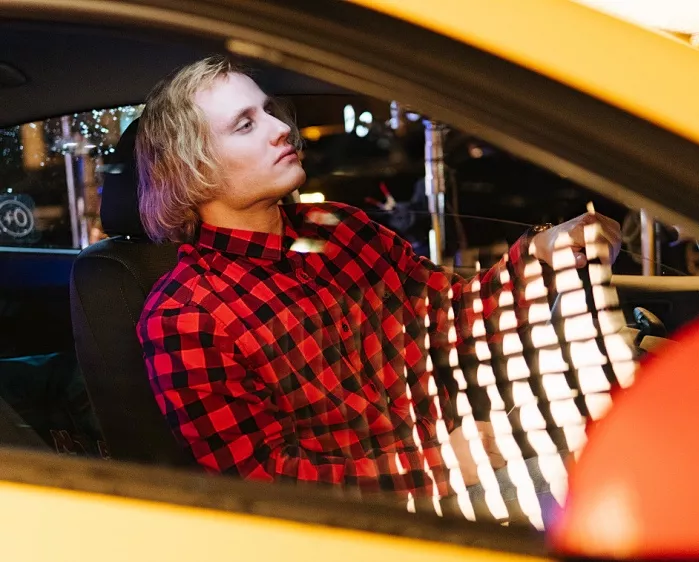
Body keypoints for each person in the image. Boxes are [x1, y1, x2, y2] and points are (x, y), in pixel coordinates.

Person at [135, 56, 622, 527]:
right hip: (367, 524)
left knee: (627, 440)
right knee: (615, 487)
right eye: (245, 125)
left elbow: (451, 314)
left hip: (463, 471)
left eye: (269, 111)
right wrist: (438, 464)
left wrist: (542, 253)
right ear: (192, 169)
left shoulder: (337, 228)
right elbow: (268, 484)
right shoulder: (185, 315)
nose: (280, 128)